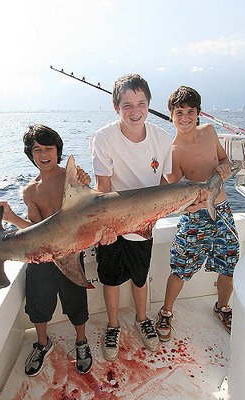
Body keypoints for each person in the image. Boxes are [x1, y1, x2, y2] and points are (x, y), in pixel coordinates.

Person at [0, 124, 93, 376]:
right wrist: (11, 216)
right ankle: (42, 343)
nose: (43, 153)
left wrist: (85, 181)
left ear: (58, 151)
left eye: (48, 148)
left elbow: (91, 202)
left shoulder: (71, 177)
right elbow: (34, 228)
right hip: (43, 254)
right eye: (36, 149)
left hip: (71, 252)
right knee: (38, 302)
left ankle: (81, 342)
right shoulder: (30, 190)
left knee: (76, 301)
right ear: (30, 154)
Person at [89, 73, 174, 361]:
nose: (135, 111)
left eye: (141, 103)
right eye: (127, 105)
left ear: (149, 104)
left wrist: (155, 216)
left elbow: (167, 182)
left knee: (140, 277)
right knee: (110, 278)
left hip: (145, 223)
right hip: (112, 222)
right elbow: (103, 188)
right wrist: (107, 226)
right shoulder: (103, 138)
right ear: (116, 108)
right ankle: (113, 326)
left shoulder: (163, 139)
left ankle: (142, 319)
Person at [155, 86, 240, 340]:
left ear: (198, 113)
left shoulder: (209, 132)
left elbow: (224, 159)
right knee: (181, 268)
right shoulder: (172, 152)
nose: (185, 117)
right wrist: (192, 205)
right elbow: (179, 195)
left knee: (229, 265)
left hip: (223, 211)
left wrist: (224, 168)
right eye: (179, 112)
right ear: (171, 115)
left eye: (190, 111)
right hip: (195, 218)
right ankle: (166, 312)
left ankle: (222, 307)